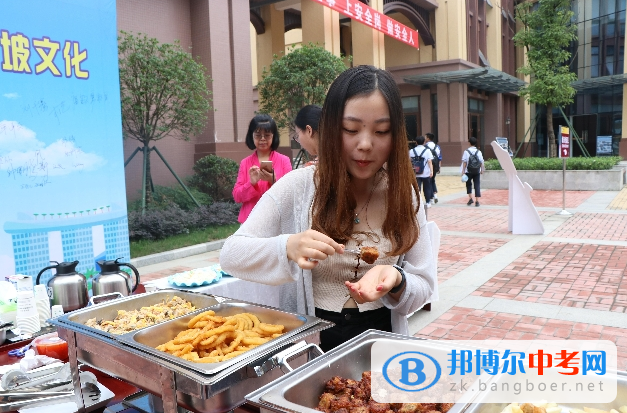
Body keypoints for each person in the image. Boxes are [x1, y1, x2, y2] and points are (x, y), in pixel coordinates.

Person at [220, 65, 436, 351]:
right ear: (332, 129)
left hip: (383, 344)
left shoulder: (403, 195)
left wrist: (397, 280)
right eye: (351, 129)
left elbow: (423, 285)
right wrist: (288, 246)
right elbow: (231, 254)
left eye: (381, 131)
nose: (365, 144)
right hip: (311, 346)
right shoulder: (299, 187)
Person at [232, 114, 292, 223]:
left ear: (274, 136)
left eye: (267, 135)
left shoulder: (284, 160)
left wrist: (273, 180)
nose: (262, 139)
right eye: (258, 135)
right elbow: (237, 196)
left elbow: (291, 193)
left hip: (276, 220)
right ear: (252, 136)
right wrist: (251, 184)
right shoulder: (245, 163)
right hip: (250, 221)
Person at [410, 135, 434, 209]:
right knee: (427, 187)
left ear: (416, 142)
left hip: (415, 173)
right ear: (424, 142)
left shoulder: (411, 151)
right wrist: (431, 171)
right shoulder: (427, 151)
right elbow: (430, 161)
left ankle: (418, 203)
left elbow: (409, 162)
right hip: (426, 173)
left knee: (417, 188)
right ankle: (427, 202)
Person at [461, 136, 484, 207]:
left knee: (468, 184)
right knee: (477, 185)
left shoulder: (466, 152)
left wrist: (463, 170)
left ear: (469, 143)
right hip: (477, 171)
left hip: (468, 171)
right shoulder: (479, 151)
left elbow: (464, 162)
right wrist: (482, 169)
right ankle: (477, 201)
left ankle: (470, 198)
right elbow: (481, 162)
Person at [425, 133, 441, 204]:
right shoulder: (437, 147)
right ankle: (435, 195)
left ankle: (431, 198)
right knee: (433, 180)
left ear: (428, 138)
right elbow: (439, 158)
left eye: (425, 137)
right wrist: (439, 167)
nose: (425, 138)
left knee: (428, 182)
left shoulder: (425, 147)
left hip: (428, 166)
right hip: (435, 165)